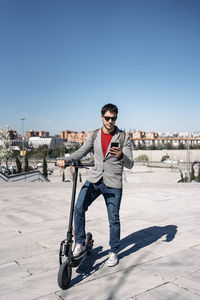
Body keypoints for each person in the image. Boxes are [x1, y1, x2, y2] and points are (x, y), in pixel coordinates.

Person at [57, 103, 134, 267]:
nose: (110, 122)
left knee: (113, 219)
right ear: (101, 117)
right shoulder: (94, 135)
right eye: (107, 118)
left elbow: (130, 164)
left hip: (113, 184)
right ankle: (80, 242)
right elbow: (81, 152)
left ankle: (113, 251)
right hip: (94, 179)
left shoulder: (123, 138)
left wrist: (121, 155)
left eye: (113, 118)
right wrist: (67, 160)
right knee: (78, 208)